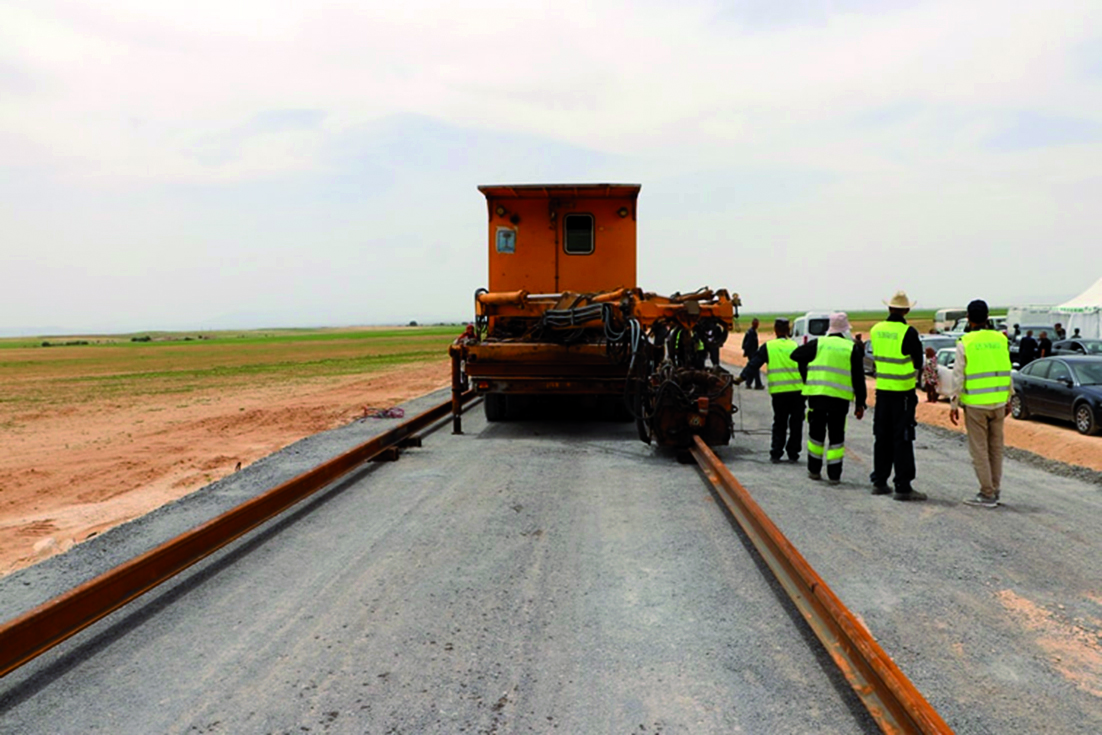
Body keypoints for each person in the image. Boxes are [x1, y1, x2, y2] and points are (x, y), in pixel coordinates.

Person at [949, 299, 1013, 508]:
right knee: (995, 448)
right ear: (987, 317)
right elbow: (1007, 369)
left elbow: (958, 375)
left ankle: (987, 493)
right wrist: (1009, 397)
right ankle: (995, 489)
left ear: (968, 318)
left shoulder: (965, 341)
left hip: (976, 405)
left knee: (979, 450)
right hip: (998, 403)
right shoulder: (1000, 339)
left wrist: (953, 403)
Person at [791, 312, 866, 485]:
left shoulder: (818, 343)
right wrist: (860, 403)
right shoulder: (851, 348)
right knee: (836, 438)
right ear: (845, 329)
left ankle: (814, 470)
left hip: (817, 398)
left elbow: (796, 355)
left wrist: (807, 376)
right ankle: (834, 475)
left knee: (816, 436)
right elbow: (858, 378)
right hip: (839, 401)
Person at [867, 290, 926, 501]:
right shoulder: (908, 332)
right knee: (902, 439)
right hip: (902, 394)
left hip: (882, 391)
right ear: (907, 310)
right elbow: (918, 362)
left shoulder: (876, 330)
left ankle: (880, 481)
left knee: (881, 437)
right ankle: (902, 485)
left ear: (889, 308)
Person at [735, 318, 805, 463]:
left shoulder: (768, 347)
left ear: (775, 330)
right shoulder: (796, 346)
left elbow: (754, 364)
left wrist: (741, 378)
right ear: (788, 330)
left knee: (780, 422)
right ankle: (793, 453)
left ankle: (776, 452)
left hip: (779, 392)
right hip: (798, 392)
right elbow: (805, 369)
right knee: (796, 423)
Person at [742, 319, 763, 389]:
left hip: (753, 352)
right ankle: (758, 384)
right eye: (755, 324)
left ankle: (749, 383)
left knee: (753, 368)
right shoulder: (751, 333)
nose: (757, 325)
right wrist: (746, 352)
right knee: (755, 368)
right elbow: (747, 343)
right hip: (752, 353)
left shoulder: (752, 332)